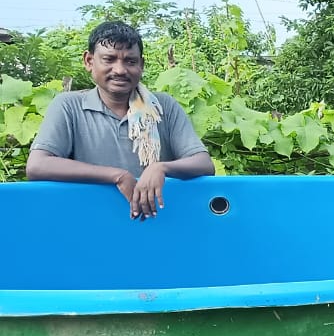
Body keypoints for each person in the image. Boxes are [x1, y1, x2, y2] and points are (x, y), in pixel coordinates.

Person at [26, 21, 215, 219]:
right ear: (89, 61)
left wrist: (160, 167)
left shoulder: (163, 107)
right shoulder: (69, 106)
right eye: (109, 59)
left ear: (141, 65)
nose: (120, 70)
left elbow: (203, 163)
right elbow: (38, 165)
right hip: (90, 220)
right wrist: (117, 176)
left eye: (130, 61)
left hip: (157, 221)